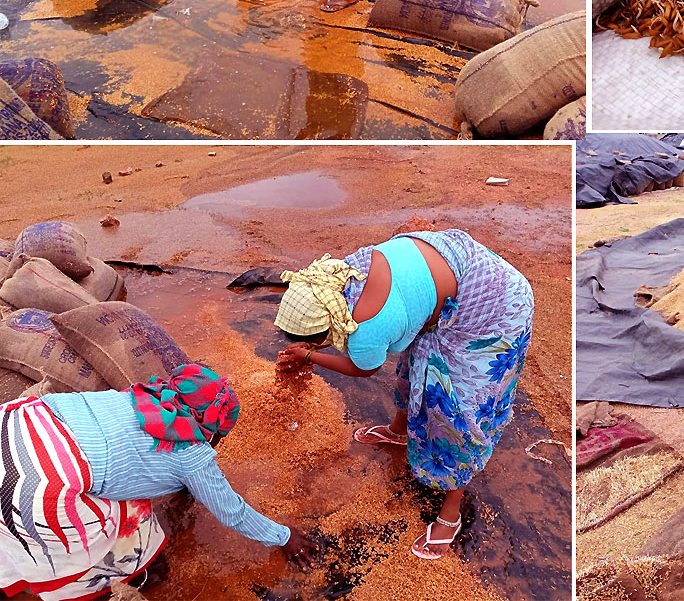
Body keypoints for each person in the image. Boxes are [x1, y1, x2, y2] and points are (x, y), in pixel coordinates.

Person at [274, 229, 533, 560]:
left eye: (315, 340)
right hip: (457, 276)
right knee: (418, 358)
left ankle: (451, 511)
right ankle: (399, 431)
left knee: (456, 404)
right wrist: (310, 347)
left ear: (328, 327)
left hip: (493, 304)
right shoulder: (336, 276)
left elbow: (363, 368)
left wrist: (309, 357)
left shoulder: (366, 328)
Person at [0, 364, 314, 599]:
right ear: (212, 429)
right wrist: (285, 537)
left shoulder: (137, 396)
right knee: (127, 520)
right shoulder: (191, 455)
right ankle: (133, 575)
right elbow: (233, 512)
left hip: (16, 422)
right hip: (39, 484)